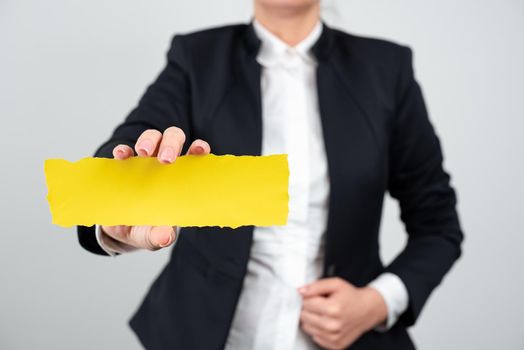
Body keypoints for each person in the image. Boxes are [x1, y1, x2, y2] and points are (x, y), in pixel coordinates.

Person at [77, 0, 463, 349]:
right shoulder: (196, 58)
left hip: (348, 339)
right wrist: (115, 209)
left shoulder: (385, 68)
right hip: (206, 333)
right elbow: (127, 148)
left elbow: (438, 225)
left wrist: (377, 302)